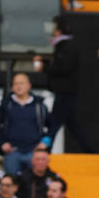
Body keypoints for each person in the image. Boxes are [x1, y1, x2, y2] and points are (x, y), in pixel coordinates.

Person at [34, 18, 90, 153]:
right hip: (64, 91)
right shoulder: (63, 47)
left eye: (55, 29)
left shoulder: (68, 47)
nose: (53, 32)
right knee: (73, 125)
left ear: (59, 31)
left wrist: (45, 67)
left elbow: (64, 67)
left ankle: (45, 149)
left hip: (66, 91)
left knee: (55, 123)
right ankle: (89, 150)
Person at [0, 72, 49, 176]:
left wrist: (46, 141)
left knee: (34, 182)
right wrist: (2, 142)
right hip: (12, 151)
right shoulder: (7, 104)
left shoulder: (39, 105)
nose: (18, 86)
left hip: (34, 152)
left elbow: (52, 125)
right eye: (16, 83)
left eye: (22, 83)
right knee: (11, 182)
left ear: (29, 86)